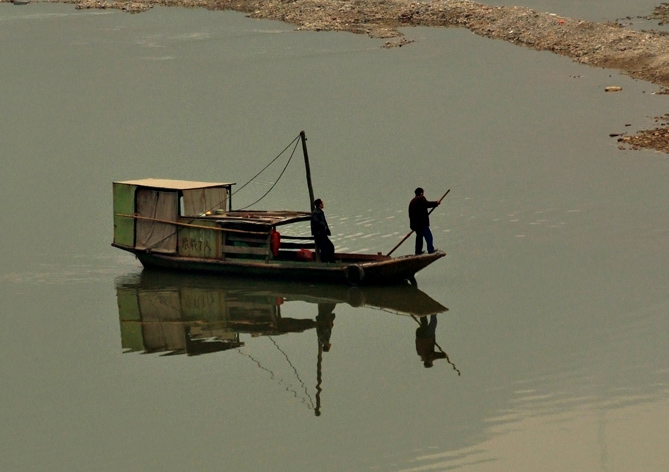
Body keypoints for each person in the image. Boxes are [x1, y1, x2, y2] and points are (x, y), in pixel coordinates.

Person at [408, 187, 440, 255]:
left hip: (415, 224)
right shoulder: (420, 198)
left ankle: (418, 251)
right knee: (428, 235)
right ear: (421, 193)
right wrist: (436, 203)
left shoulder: (412, 201)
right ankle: (430, 250)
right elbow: (427, 204)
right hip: (421, 223)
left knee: (419, 236)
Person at [311, 198, 336, 263]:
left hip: (322, 233)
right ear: (319, 204)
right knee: (326, 247)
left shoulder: (319, 212)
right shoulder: (316, 212)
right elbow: (316, 221)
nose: (323, 204)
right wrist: (323, 225)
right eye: (322, 203)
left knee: (328, 247)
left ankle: (330, 260)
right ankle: (326, 261)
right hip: (320, 234)